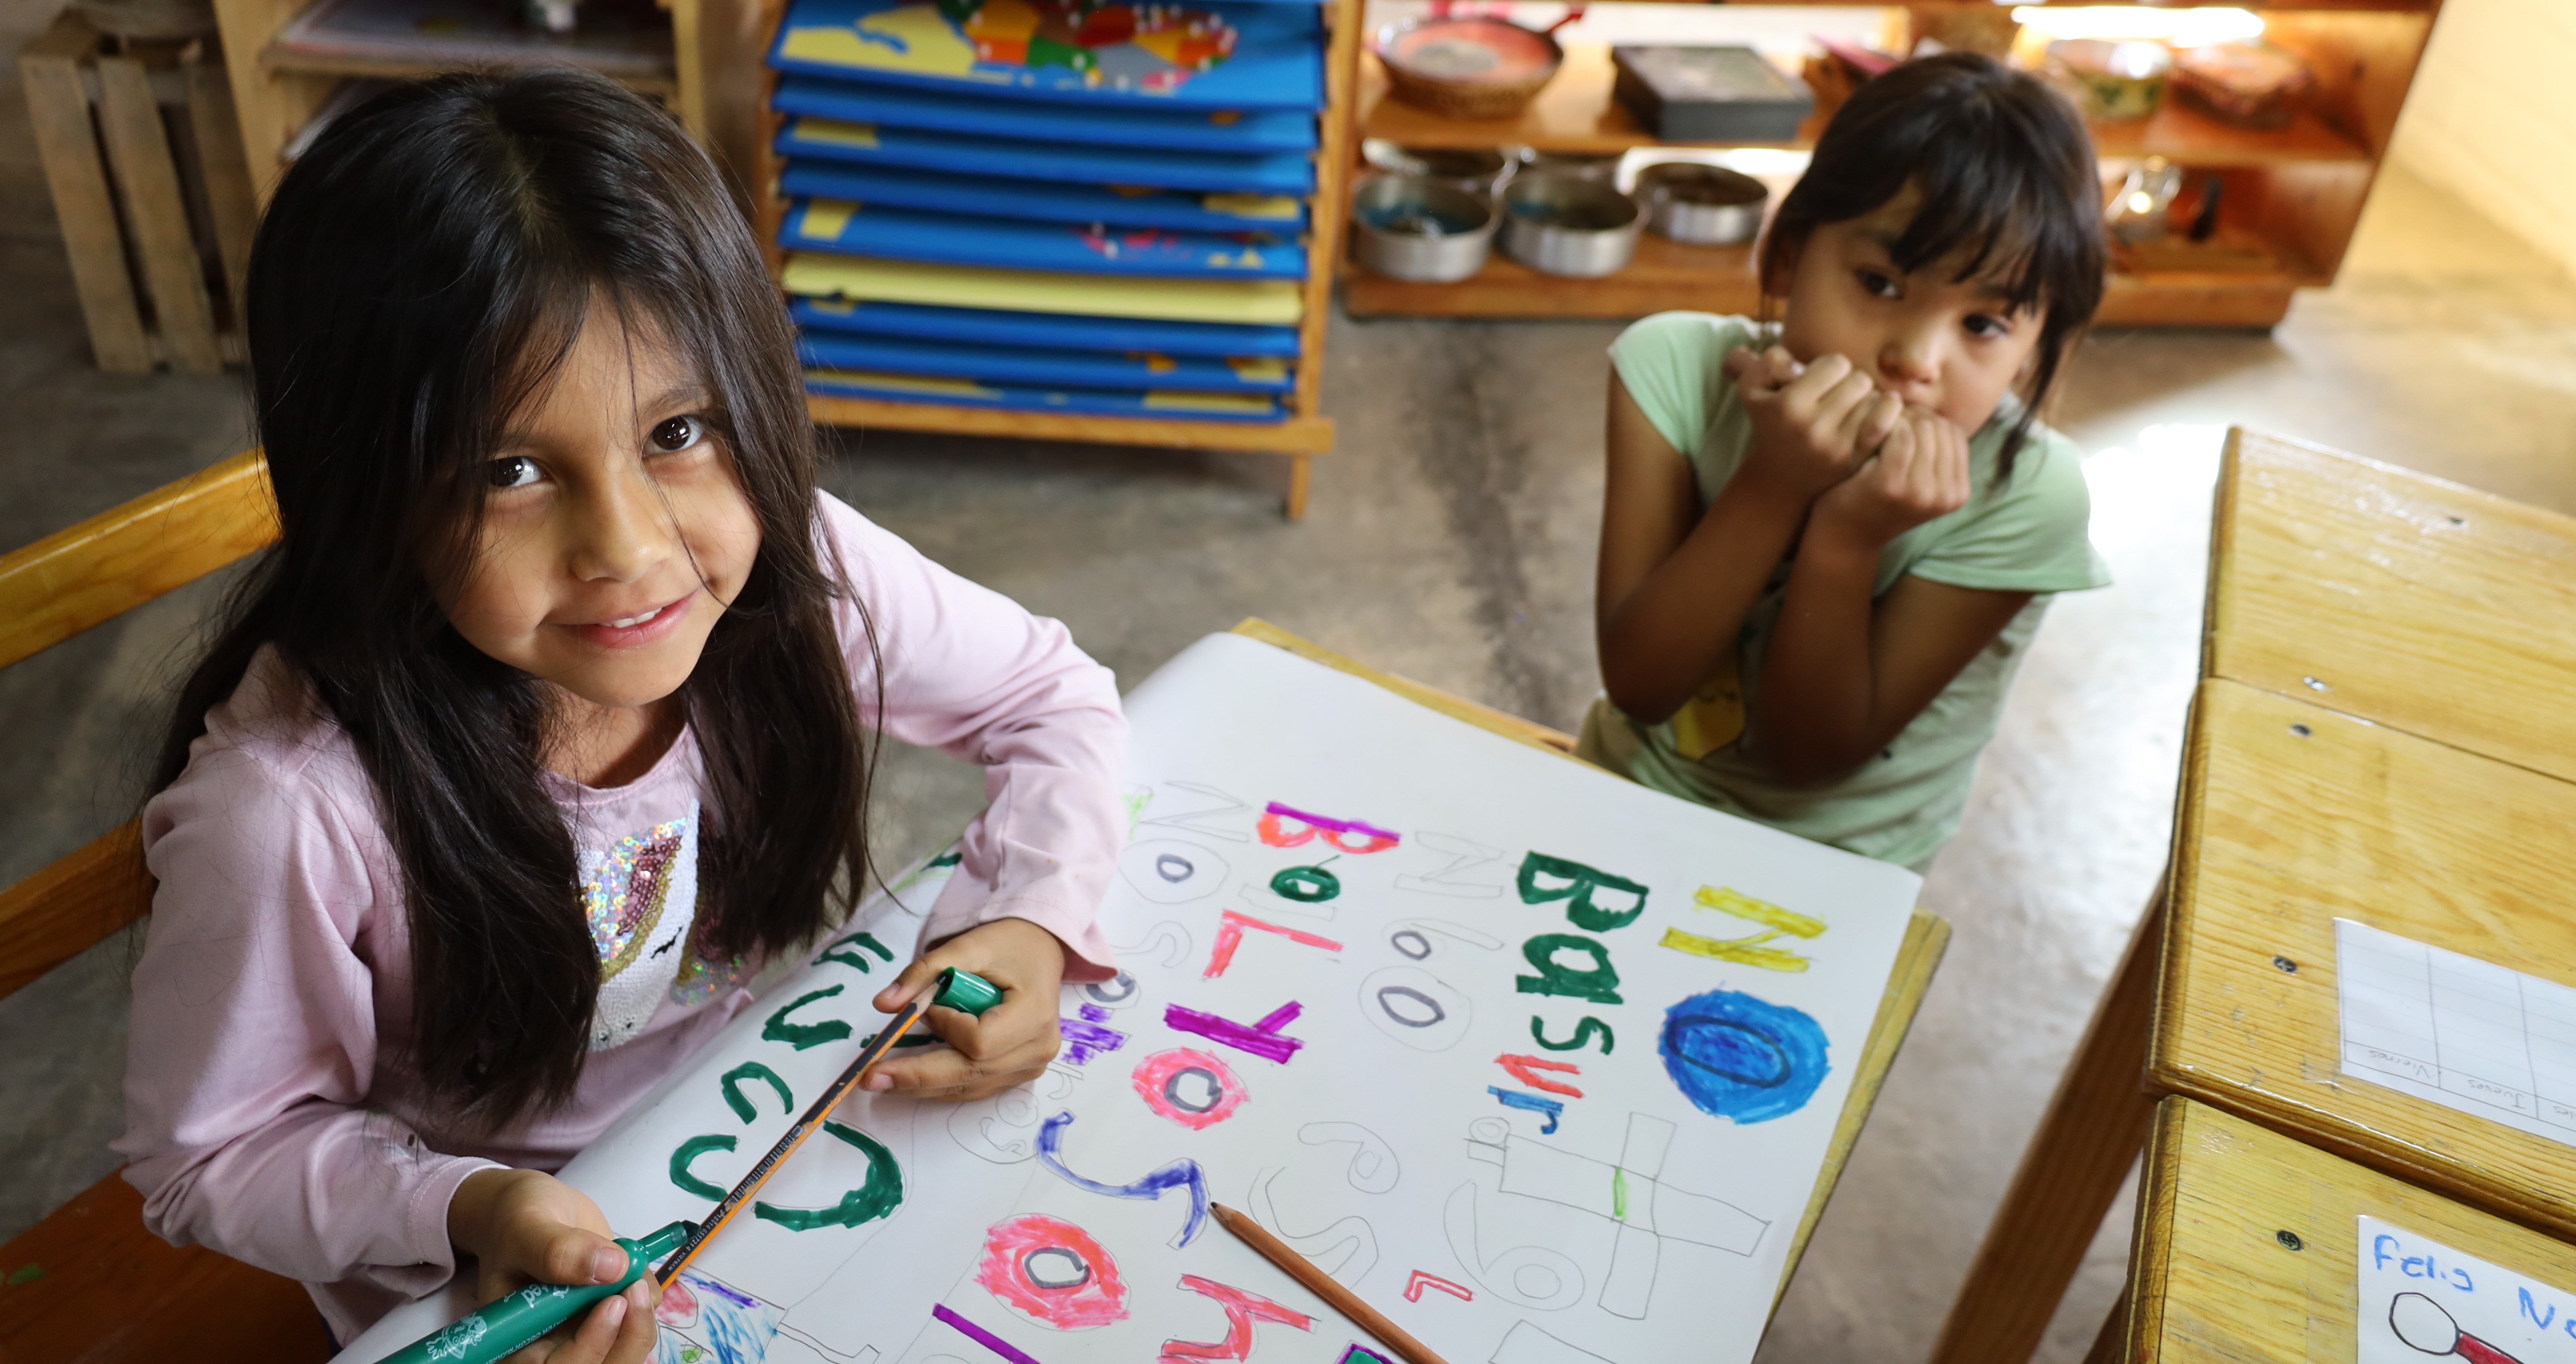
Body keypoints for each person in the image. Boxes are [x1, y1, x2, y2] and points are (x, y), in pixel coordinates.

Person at [114, 69, 1127, 1362]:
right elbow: (212, 1154)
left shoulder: (797, 571)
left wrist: (1029, 913)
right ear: (363, 488)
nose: (633, 550)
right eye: (511, 469)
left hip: (761, 1134)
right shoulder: (291, 809)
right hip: (492, 1285)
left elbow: (1049, 696)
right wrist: (470, 1206)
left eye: (678, 430)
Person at [1585, 52, 2113, 873]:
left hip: (1839, 865)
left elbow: (1808, 760)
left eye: (1983, 325)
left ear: (2039, 343)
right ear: (1787, 256)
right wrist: (1773, 484)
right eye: (1880, 282)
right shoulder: (1673, 370)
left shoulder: (2025, 494)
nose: (1915, 359)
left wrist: (1846, 540)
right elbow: (1641, 685)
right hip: (1622, 790)